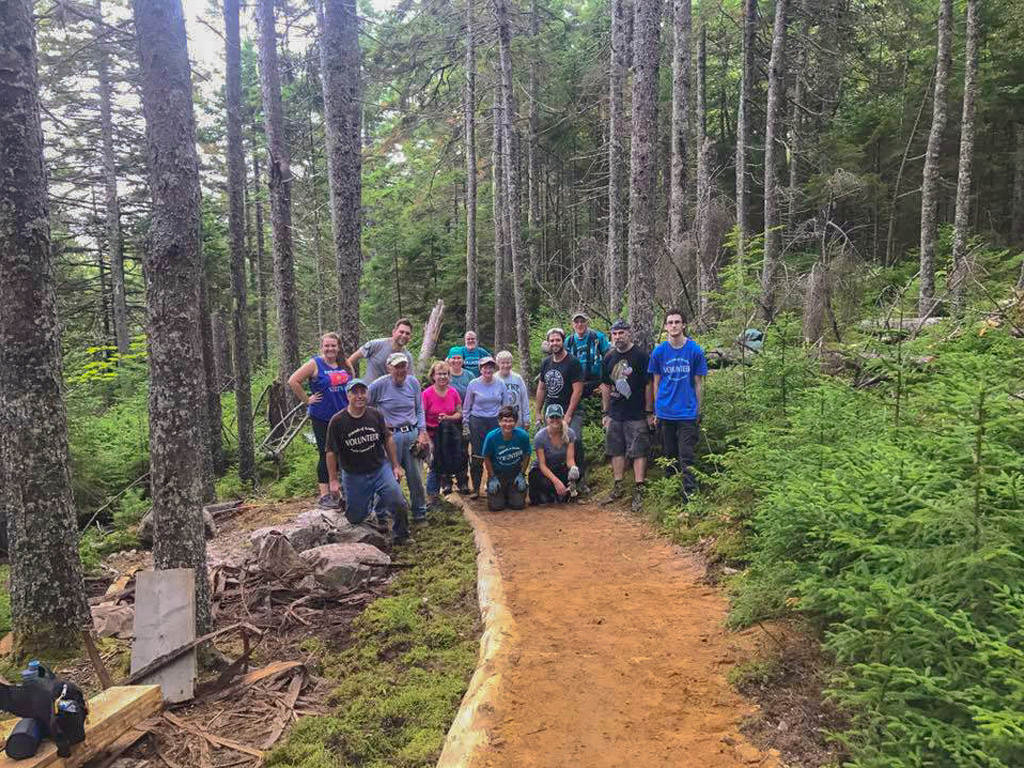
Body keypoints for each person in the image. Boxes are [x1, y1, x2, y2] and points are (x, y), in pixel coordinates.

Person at [326, 378, 410, 545]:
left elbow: (388, 438)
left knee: (398, 501)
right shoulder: (337, 421)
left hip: (379, 468)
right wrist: (333, 480)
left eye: (362, 392)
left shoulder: (375, 414)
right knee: (355, 517)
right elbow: (330, 452)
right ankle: (368, 506)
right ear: (348, 396)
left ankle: (401, 535)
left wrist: (395, 466)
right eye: (355, 393)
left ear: (367, 394)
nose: (359, 396)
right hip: (354, 474)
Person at [287, 332, 353, 509]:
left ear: (338, 347)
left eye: (333, 345)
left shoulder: (344, 363)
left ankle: (345, 489)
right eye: (327, 346)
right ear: (322, 347)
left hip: (344, 415)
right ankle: (325, 494)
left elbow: (352, 381)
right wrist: (307, 399)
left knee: (345, 451)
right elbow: (293, 381)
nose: (330, 349)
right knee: (326, 453)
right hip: (322, 416)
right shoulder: (315, 363)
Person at [648, 309, 708, 499]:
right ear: (665, 327)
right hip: (665, 412)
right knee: (668, 455)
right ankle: (670, 494)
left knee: (686, 456)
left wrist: (699, 409)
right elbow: (656, 382)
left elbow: (699, 383)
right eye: (670, 322)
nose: (673, 325)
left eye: (677, 322)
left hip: (687, 413)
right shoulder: (659, 352)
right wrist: (656, 410)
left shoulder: (694, 350)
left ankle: (689, 496)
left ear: (684, 325)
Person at [367, 353, 430, 523]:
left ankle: (419, 513)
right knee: (388, 477)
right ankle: (381, 515)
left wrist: (422, 432)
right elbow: (362, 404)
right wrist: (377, 424)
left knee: (415, 477)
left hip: (411, 433)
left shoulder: (413, 382)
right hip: (390, 437)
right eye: (397, 367)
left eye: (403, 366)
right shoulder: (379, 385)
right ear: (389, 368)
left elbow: (419, 409)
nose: (401, 370)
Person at [600, 319, 653, 513]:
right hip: (615, 413)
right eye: (614, 334)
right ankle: (618, 486)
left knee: (639, 450)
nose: (618, 337)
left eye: (621, 333)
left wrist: (649, 411)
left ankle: (639, 488)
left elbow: (648, 384)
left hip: (637, 412)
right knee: (616, 449)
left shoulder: (640, 356)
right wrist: (605, 412)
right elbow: (605, 385)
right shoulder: (608, 357)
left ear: (629, 333)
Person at [535, 327, 586, 489]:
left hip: (571, 409)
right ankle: (553, 481)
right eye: (551, 341)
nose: (554, 343)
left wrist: (569, 414)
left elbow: (578, 390)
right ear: (548, 343)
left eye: (557, 340)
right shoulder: (546, 363)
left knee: (575, 440)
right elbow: (542, 388)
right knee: (549, 443)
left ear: (563, 341)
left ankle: (579, 481)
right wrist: (538, 411)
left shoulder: (573, 362)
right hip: (551, 411)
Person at [462, 356, 510, 498]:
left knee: (495, 454)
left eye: (490, 367)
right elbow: (467, 406)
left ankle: (493, 485)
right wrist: (465, 424)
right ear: (480, 369)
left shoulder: (500, 383)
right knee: (477, 455)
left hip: (495, 421)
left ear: (494, 368)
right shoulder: (473, 384)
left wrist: (506, 424)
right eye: (484, 367)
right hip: (477, 421)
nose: (487, 369)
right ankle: (476, 488)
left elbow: (506, 406)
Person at [422, 361, 464, 504]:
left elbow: (460, 413)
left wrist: (448, 417)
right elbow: (420, 416)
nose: (442, 377)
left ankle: (448, 486)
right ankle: (431, 496)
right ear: (433, 376)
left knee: (448, 461)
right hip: (431, 433)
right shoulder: (426, 394)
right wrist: (425, 438)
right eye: (439, 374)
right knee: (434, 463)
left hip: (449, 434)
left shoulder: (453, 392)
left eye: (445, 374)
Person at [481, 405, 532, 511]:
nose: (507, 424)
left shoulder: (523, 436)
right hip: (498, 474)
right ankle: (494, 488)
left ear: (516, 422)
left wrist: (522, 474)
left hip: (514, 474)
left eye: (511, 421)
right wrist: (492, 476)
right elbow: (486, 457)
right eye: (504, 421)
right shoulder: (491, 437)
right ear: (499, 422)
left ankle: (510, 492)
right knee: (496, 507)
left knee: (517, 505)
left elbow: (527, 454)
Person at [528, 404, 580, 505]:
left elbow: (570, 459)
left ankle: (560, 494)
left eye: (558, 417)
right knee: (543, 493)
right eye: (552, 417)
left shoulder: (570, 434)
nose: (555, 420)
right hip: (542, 470)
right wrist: (556, 482)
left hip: (558, 467)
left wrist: (573, 468)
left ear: (562, 417)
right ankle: (549, 494)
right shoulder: (540, 437)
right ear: (546, 418)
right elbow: (542, 465)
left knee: (577, 473)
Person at [347, 318, 414, 381]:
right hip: (369, 391)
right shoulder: (375, 345)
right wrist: (349, 379)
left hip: (390, 392)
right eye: (401, 332)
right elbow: (352, 359)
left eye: (407, 333)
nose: (404, 335)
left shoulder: (407, 357)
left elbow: (409, 380)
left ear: (410, 337)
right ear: (394, 332)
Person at [446, 351, 474, 494]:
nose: (456, 361)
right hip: (446, 418)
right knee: (447, 450)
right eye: (453, 358)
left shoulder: (469, 376)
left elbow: (475, 394)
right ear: (449, 360)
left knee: (463, 451)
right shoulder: (444, 374)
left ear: (463, 360)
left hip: (464, 418)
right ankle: (447, 482)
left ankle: (462, 481)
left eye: (459, 358)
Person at [565, 311, 610, 398]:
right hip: (576, 383)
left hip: (597, 382)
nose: (579, 324)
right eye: (576, 322)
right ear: (572, 324)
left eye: (582, 321)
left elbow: (608, 358)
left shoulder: (598, 337)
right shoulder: (568, 341)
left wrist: (607, 380)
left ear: (587, 323)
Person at [495, 350, 531, 429]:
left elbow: (524, 399)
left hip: (517, 419)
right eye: (503, 363)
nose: (506, 365)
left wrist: (526, 418)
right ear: (498, 363)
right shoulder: (494, 379)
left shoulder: (517, 378)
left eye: (508, 363)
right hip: (501, 420)